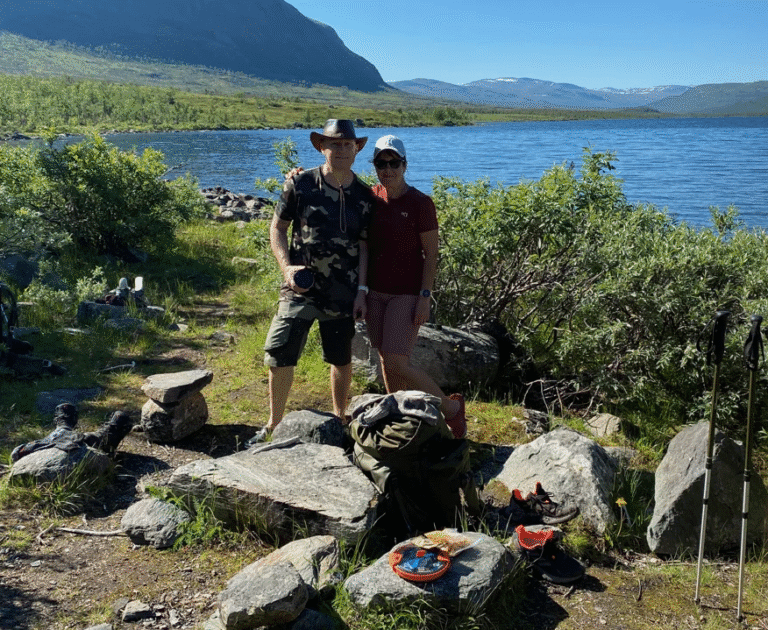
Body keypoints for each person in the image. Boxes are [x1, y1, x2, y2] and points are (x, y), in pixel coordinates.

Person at [256, 119, 375, 443]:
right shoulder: (300, 184)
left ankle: (339, 417)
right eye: (334, 143)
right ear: (322, 147)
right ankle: (273, 424)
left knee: (341, 357)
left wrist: (362, 292)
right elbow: (277, 228)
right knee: (280, 352)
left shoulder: (364, 196)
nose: (340, 150)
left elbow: (365, 246)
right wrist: (286, 270)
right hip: (300, 287)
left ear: (356, 149)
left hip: (343, 291)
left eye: (346, 144)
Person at [365, 135, 467, 438]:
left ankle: (452, 410)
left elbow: (431, 254)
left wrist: (425, 296)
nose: (388, 169)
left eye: (393, 162)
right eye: (381, 163)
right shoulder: (370, 197)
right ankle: (395, 411)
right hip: (374, 293)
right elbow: (338, 183)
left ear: (405, 164)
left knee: (398, 360)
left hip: (407, 294)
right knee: (385, 357)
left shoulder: (421, 203)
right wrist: (299, 176)